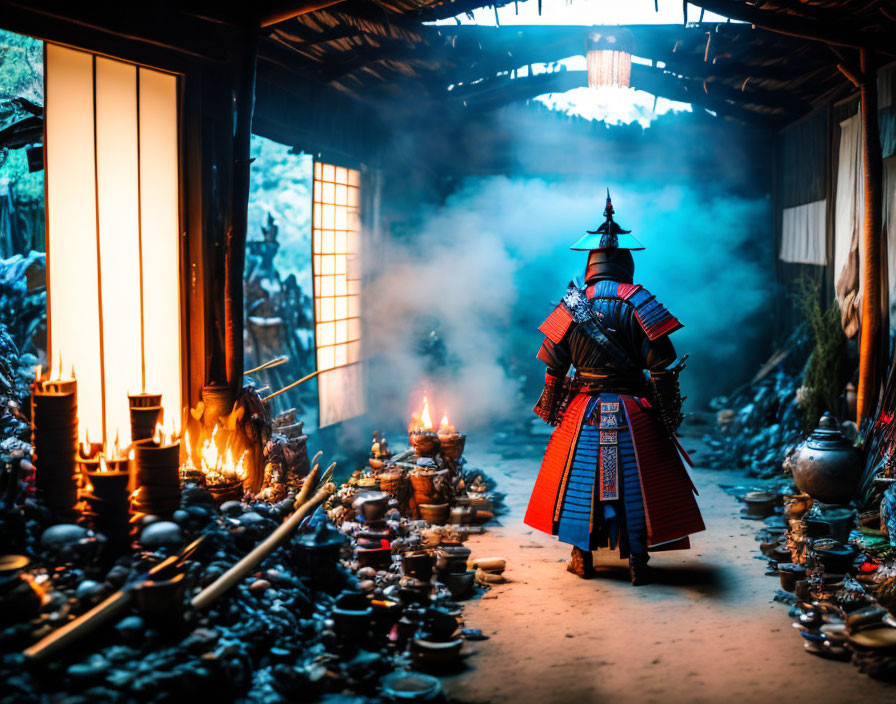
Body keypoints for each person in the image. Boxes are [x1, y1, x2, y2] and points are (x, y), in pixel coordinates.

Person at [524, 191, 704, 585]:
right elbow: (662, 367)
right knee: (638, 483)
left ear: (590, 264)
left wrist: (554, 409)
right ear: (626, 262)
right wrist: (666, 415)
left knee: (579, 482)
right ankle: (639, 560)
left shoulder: (569, 306)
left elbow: (553, 367)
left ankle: (581, 556)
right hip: (633, 410)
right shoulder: (640, 302)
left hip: (583, 411)